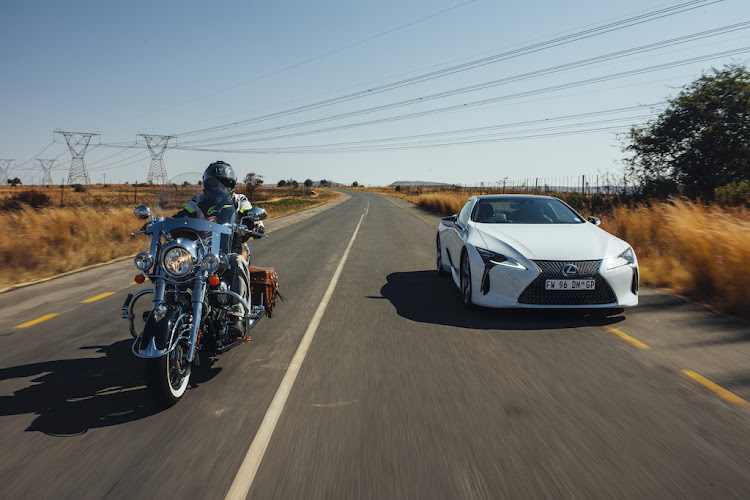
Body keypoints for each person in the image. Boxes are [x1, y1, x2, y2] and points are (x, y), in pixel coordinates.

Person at [173, 161, 264, 336]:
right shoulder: (198, 201)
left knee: (238, 261)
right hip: (200, 254)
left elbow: (250, 214)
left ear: (231, 185)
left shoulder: (239, 200)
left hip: (228, 251)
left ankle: (238, 315)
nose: (218, 188)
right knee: (174, 264)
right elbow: (182, 216)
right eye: (214, 184)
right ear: (207, 184)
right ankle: (170, 306)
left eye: (224, 184)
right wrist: (164, 222)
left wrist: (255, 224)